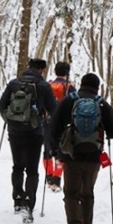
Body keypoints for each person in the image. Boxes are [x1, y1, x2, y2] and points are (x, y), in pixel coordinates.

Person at [48, 71, 113, 224]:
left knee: (71, 193)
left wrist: (56, 151)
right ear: (97, 87)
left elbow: (53, 126)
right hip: (94, 156)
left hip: (72, 156)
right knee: (87, 192)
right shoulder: (101, 103)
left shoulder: (69, 100)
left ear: (81, 84)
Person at [0, 57, 57, 222]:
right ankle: (28, 204)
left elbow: (1, 106)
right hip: (34, 132)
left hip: (14, 132)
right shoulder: (43, 86)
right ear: (42, 70)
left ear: (28, 66)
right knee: (32, 169)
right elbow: (54, 109)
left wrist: (9, 120)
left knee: (17, 166)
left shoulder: (13, 83)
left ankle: (17, 200)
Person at [43, 60, 75, 191]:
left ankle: (48, 176)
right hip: (62, 123)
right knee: (60, 150)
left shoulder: (48, 85)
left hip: (46, 121)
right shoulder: (70, 87)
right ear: (67, 73)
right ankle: (56, 179)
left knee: (47, 149)